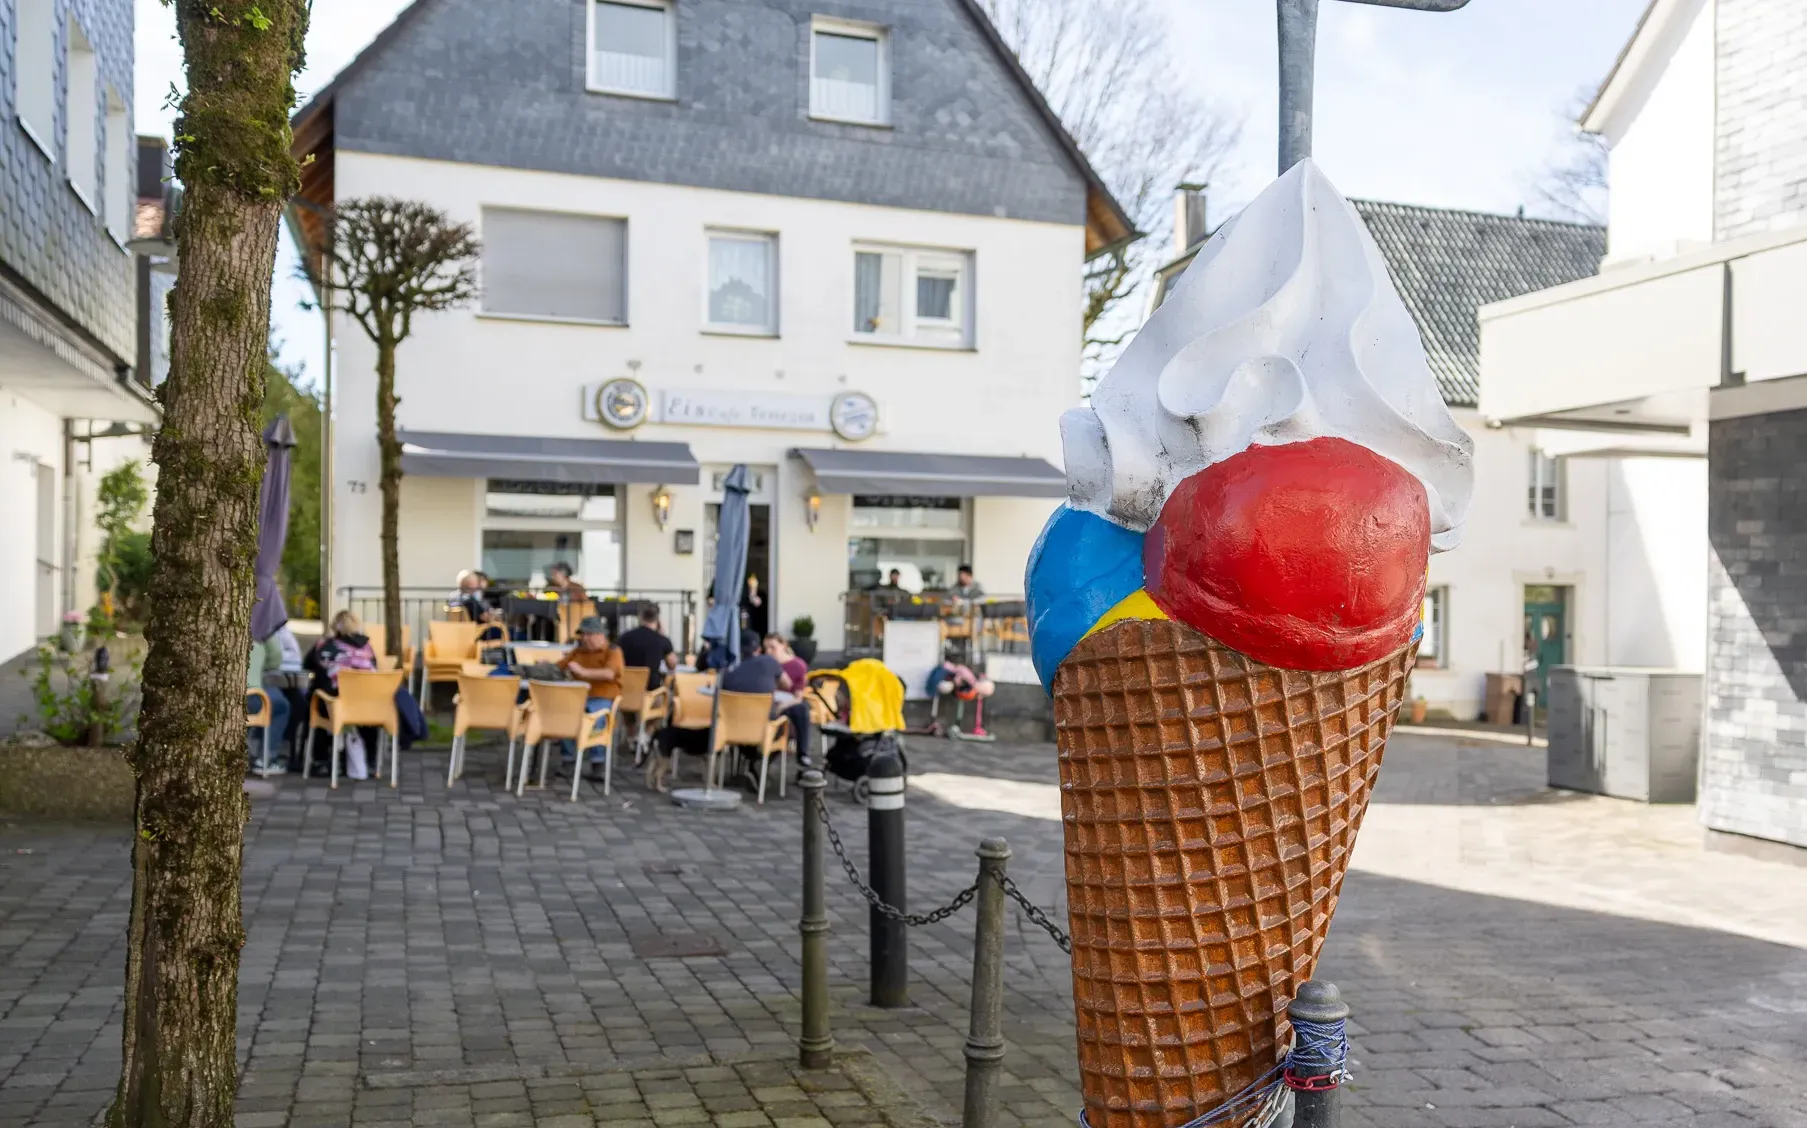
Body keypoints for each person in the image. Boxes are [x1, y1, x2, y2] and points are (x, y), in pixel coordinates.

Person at [303, 611, 379, 778]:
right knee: (367, 717)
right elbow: (376, 669)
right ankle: (370, 761)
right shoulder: (368, 647)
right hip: (367, 707)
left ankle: (321, 761)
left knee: (317, 701)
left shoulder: (325, 645)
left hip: (335, 705)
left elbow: (307, 664)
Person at [722, 641, 813, 770]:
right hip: (763, 724)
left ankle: (749, 765)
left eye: (772, 647)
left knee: (798, 709)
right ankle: (760, 763)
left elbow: (796, 694)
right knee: (792, 718)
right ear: (759, 650)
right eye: (766, 648)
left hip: (733, 726)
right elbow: (785, 685)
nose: (769, 651)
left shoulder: (728, 670)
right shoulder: (766, 663)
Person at [556, 616, 623, 775]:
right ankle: (568, 760)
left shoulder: (612, 651)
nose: (585, 638)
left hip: (602, 696)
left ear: (601, 635)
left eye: (589, 634)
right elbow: (560, 667)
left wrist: (582, 672)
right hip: (578, 696)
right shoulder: (578, 651)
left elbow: (609, 674)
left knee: (596, 716)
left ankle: (597, 763)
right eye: (583, 635)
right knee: (564, 713)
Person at [247, 627, 291, 774]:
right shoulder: (260, 625)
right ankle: (266, 758)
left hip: (219, 695)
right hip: (250, 694)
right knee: (281, 706)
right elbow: (275, 658)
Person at [617, 604, 677, 690]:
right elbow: (672, 665)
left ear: (640, 617)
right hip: (651, 693)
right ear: (657, 619)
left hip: (627, 691)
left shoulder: (624, 637)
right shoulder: (662, 640)